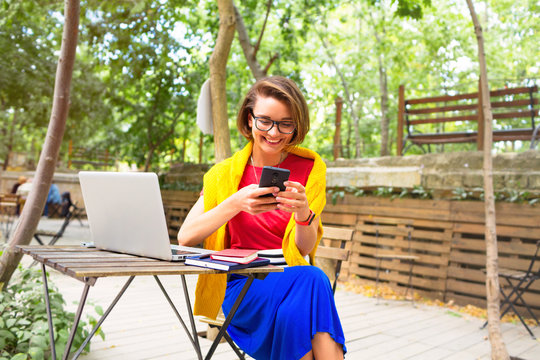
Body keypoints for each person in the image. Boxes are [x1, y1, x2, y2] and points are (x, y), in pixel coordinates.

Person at [178, 76, 345, 360]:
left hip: (292, 275)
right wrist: (235, 203)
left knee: (301, 299)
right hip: (241, 285)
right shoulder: (224, 174)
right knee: (313, 281)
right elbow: (186, 237)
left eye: (285, 123)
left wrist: (304, 214)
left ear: (297, 125)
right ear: (249, 118)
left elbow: (303, 249)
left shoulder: (310, 167)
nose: (274, 132)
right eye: (265, 121)